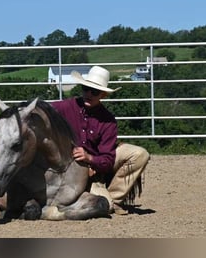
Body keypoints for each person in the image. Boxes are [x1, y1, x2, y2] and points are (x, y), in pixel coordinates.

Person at [50, 65, 150, 215]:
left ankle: (115, 199)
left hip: (94, 171)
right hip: (69, 166)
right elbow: (43, 109)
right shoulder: (66, 106)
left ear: (103, 95)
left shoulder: (108, 121)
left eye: (94, 91)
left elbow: (107, 160)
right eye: (85, 88)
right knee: (102, 204)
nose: (88, 94)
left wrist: (89, 158)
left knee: (140, 154)